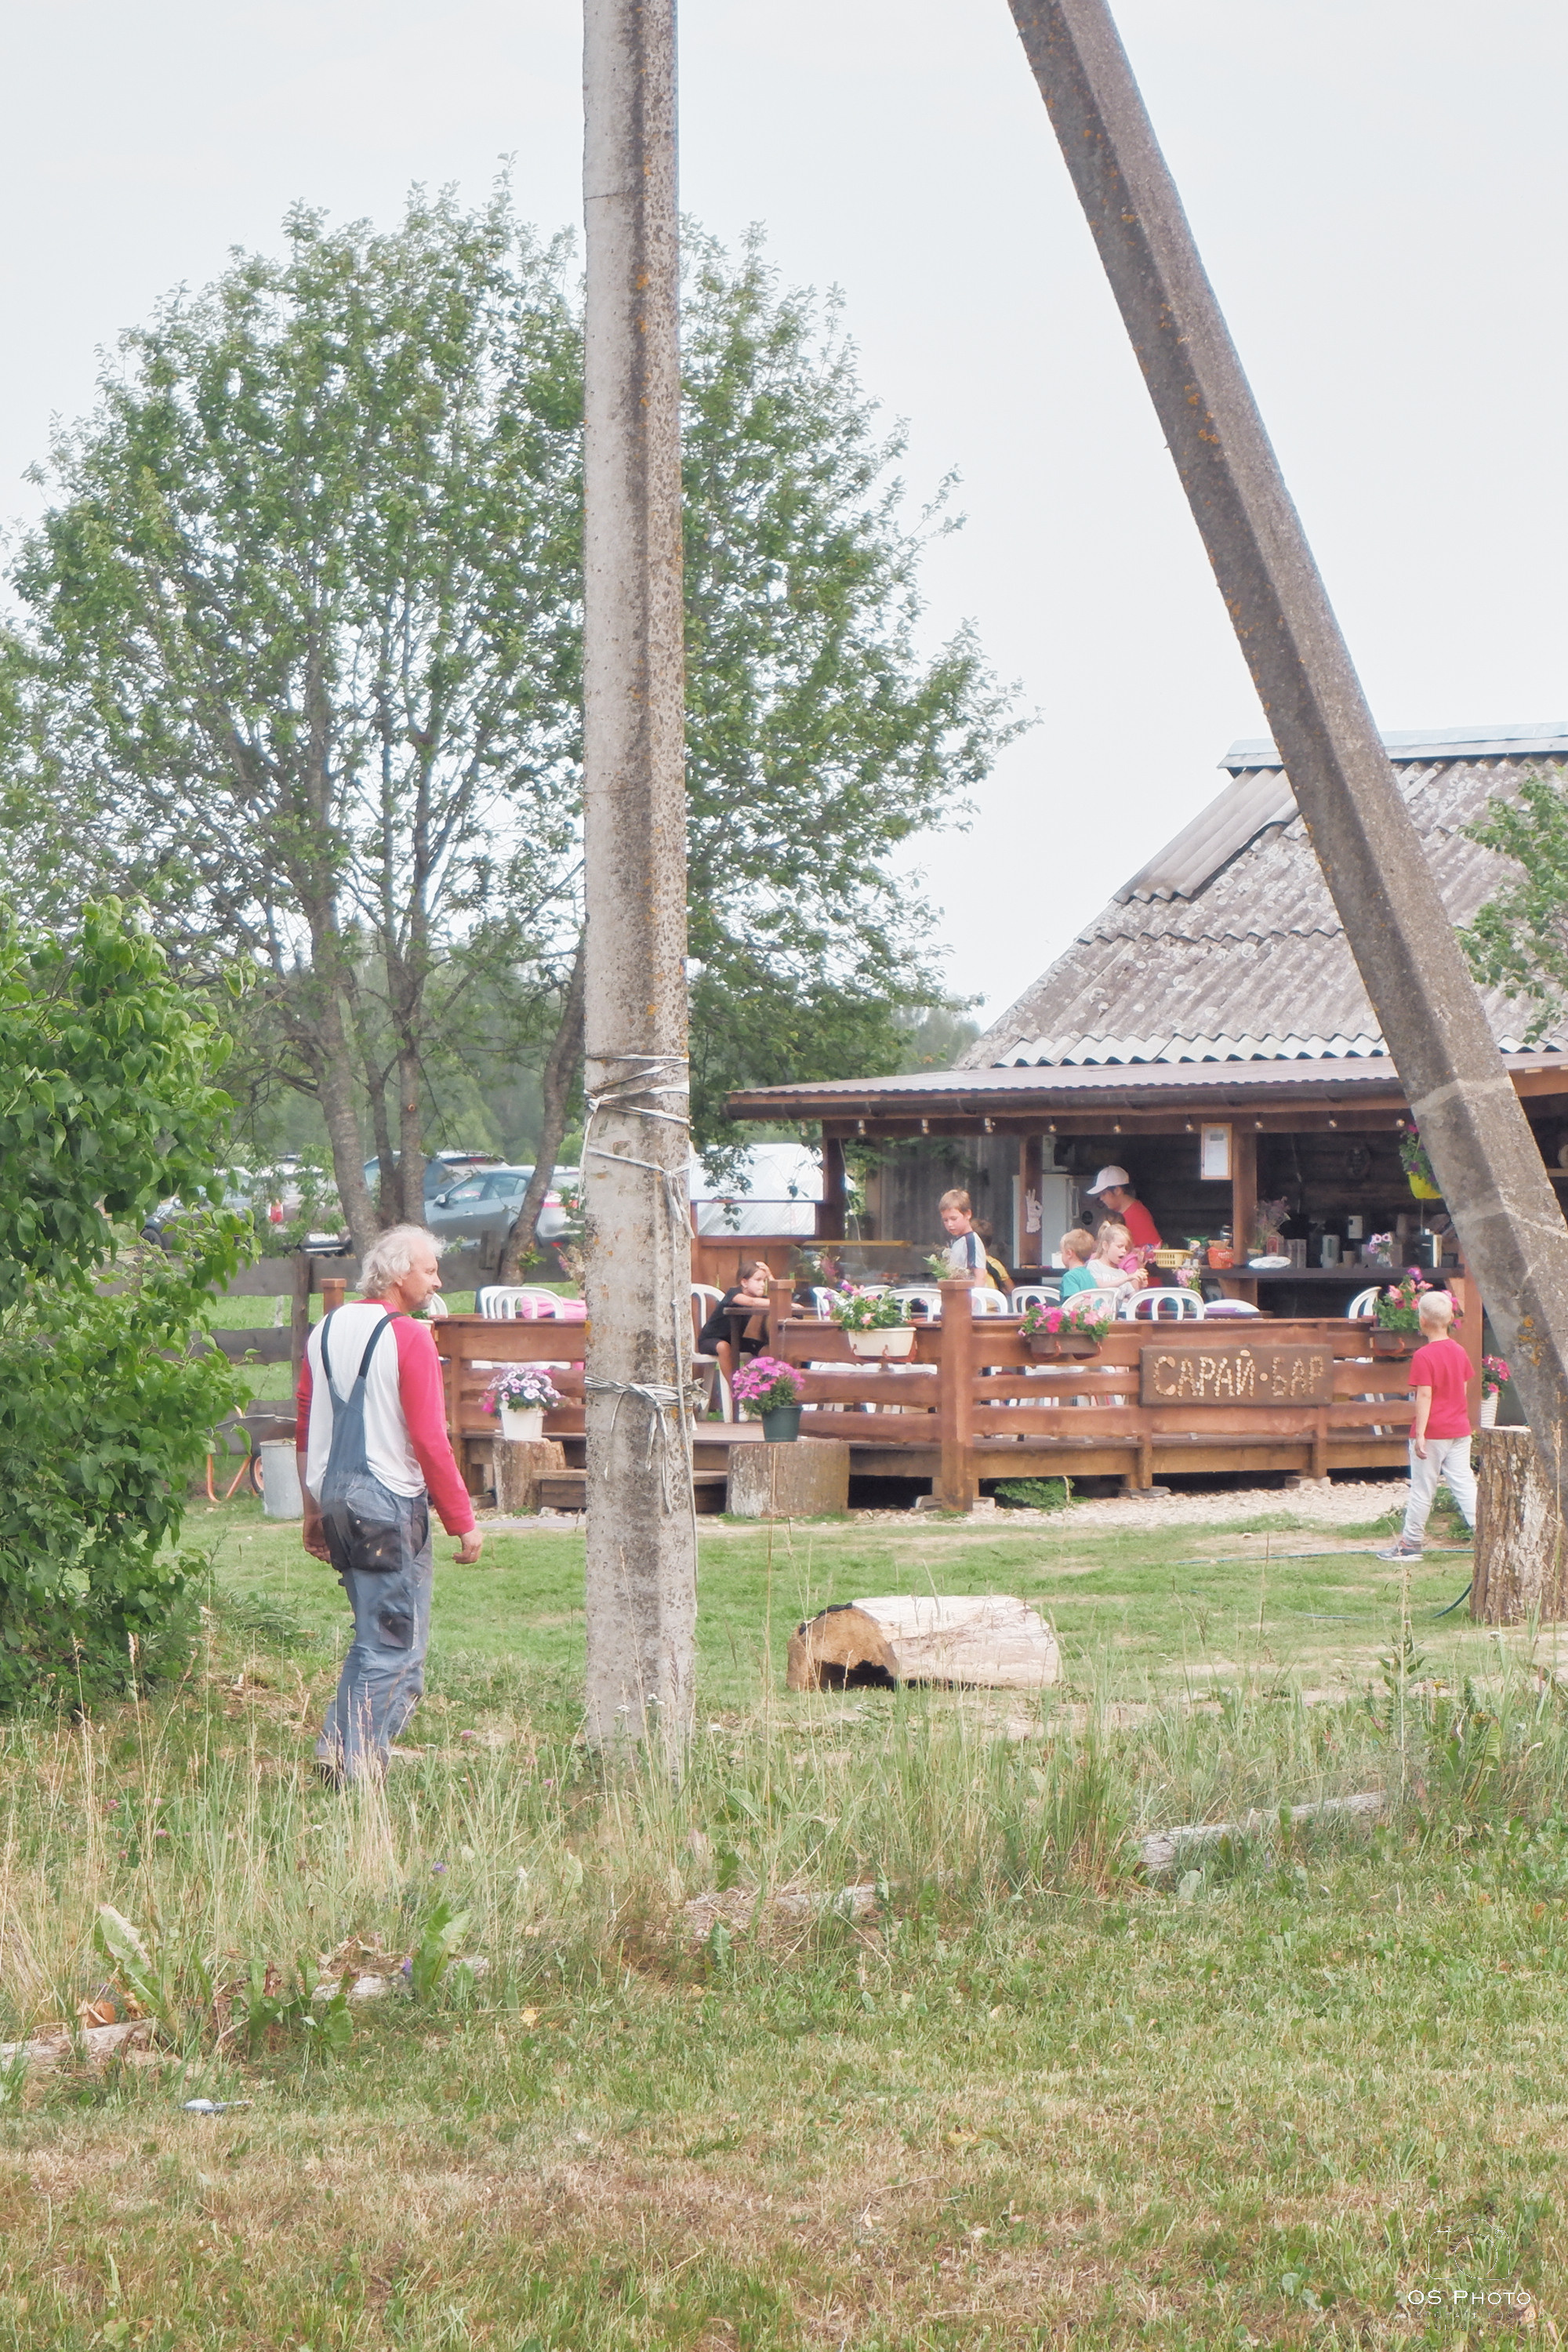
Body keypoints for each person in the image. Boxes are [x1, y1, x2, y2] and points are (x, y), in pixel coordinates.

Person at [296, 1224, 482, 1784]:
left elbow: (307, 1424)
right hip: (387, 1503)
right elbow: (429, 1440)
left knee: (372, 1638)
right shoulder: (410, 1337)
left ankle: (336, 1746)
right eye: (429, 1270)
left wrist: (311, 1513)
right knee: (398, 1649)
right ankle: (358, 1768)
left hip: (334, 1496)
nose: (436, 1280)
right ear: (401, 1274)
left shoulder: (324, 1328)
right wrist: (462, 1522)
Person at [1378, 1290, 1477, 1562]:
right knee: (1465, 1484)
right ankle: (1487, 1535)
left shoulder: (1424, 1355)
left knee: (1423, 1488)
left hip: (1433, 1431)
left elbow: (1425, 1394)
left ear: (1422, 1320)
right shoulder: (1459, 1351)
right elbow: (1464, 1386)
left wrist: (1420, 1433)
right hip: (1460, 1428)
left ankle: (1411, 1543)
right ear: (1450, 1319)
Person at [698, 1259, 772, 1387]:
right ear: (744, 1282)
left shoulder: (759, 1298)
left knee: (767, 1350)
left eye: (764, 1281)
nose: (762, 1285)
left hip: (735, 1340)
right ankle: (736, 1388)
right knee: (724, 1347)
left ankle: (764, 1386)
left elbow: (778, 1298)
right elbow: (752, 1303)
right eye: (758, 1280)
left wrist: (770, 1276)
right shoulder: (734, 1293)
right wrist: (783, 1304)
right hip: (710, 1340)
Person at [1083, 1167, 1162, 1254]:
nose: (1101, 1198)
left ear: (1117, 1190)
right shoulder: (1119, 1213)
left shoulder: (1137, 1214)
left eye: (1104, 1193)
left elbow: (1153, 1249)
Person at [1085, 1221, 1149, 1295]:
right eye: (1119, 1246)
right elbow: (1100, 1287)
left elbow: (1133, 1299)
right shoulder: (1095, 1265)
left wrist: (1141, 1286)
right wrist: (1127, 1278)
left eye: (1126, 1248)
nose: (1124, 1251)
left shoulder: (1122, 1274)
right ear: (1105, 1246)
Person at [939, 1189, 988, 1279]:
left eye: (954, 1219)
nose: (950, 1224)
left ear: (967, 1214)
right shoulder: (957, 1241)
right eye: (945, 1220)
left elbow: (980, 1276)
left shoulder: (971, 1241)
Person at [1056, 1228, 1098, 1301]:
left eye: (1062, 1252)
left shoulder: (1070, 1277)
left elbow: (1073, 1304)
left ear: (1069, 1253)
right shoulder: (1089, 1275)